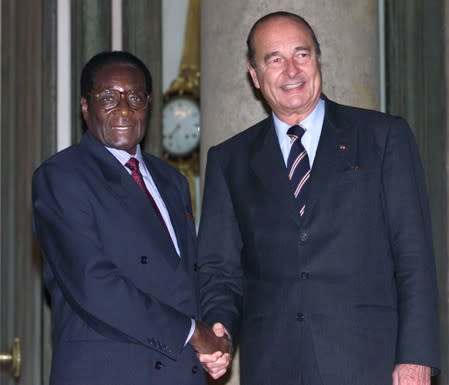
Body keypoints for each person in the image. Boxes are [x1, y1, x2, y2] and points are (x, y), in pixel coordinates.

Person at [197, 11, 440, 385]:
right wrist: (220, 330)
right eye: (274, 59)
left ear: (317, 60)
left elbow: (413, 257)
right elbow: (220, 269)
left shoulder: (382, 137)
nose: (291, 70)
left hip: (370, 363)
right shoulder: (229, 160)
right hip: (273, 365)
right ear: (255, 76)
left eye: (302, 54)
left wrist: (415, 358)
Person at [32, 51, 230, 385]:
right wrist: (194, 333)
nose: (124, 109)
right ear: (85, 106)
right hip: (108, 372)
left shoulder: (171, 181)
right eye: (108, 98)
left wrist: (216, 332)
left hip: (179, 372)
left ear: (148, 105)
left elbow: (187, 276)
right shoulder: (62, 176)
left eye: (135, 97)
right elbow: (94, 285)